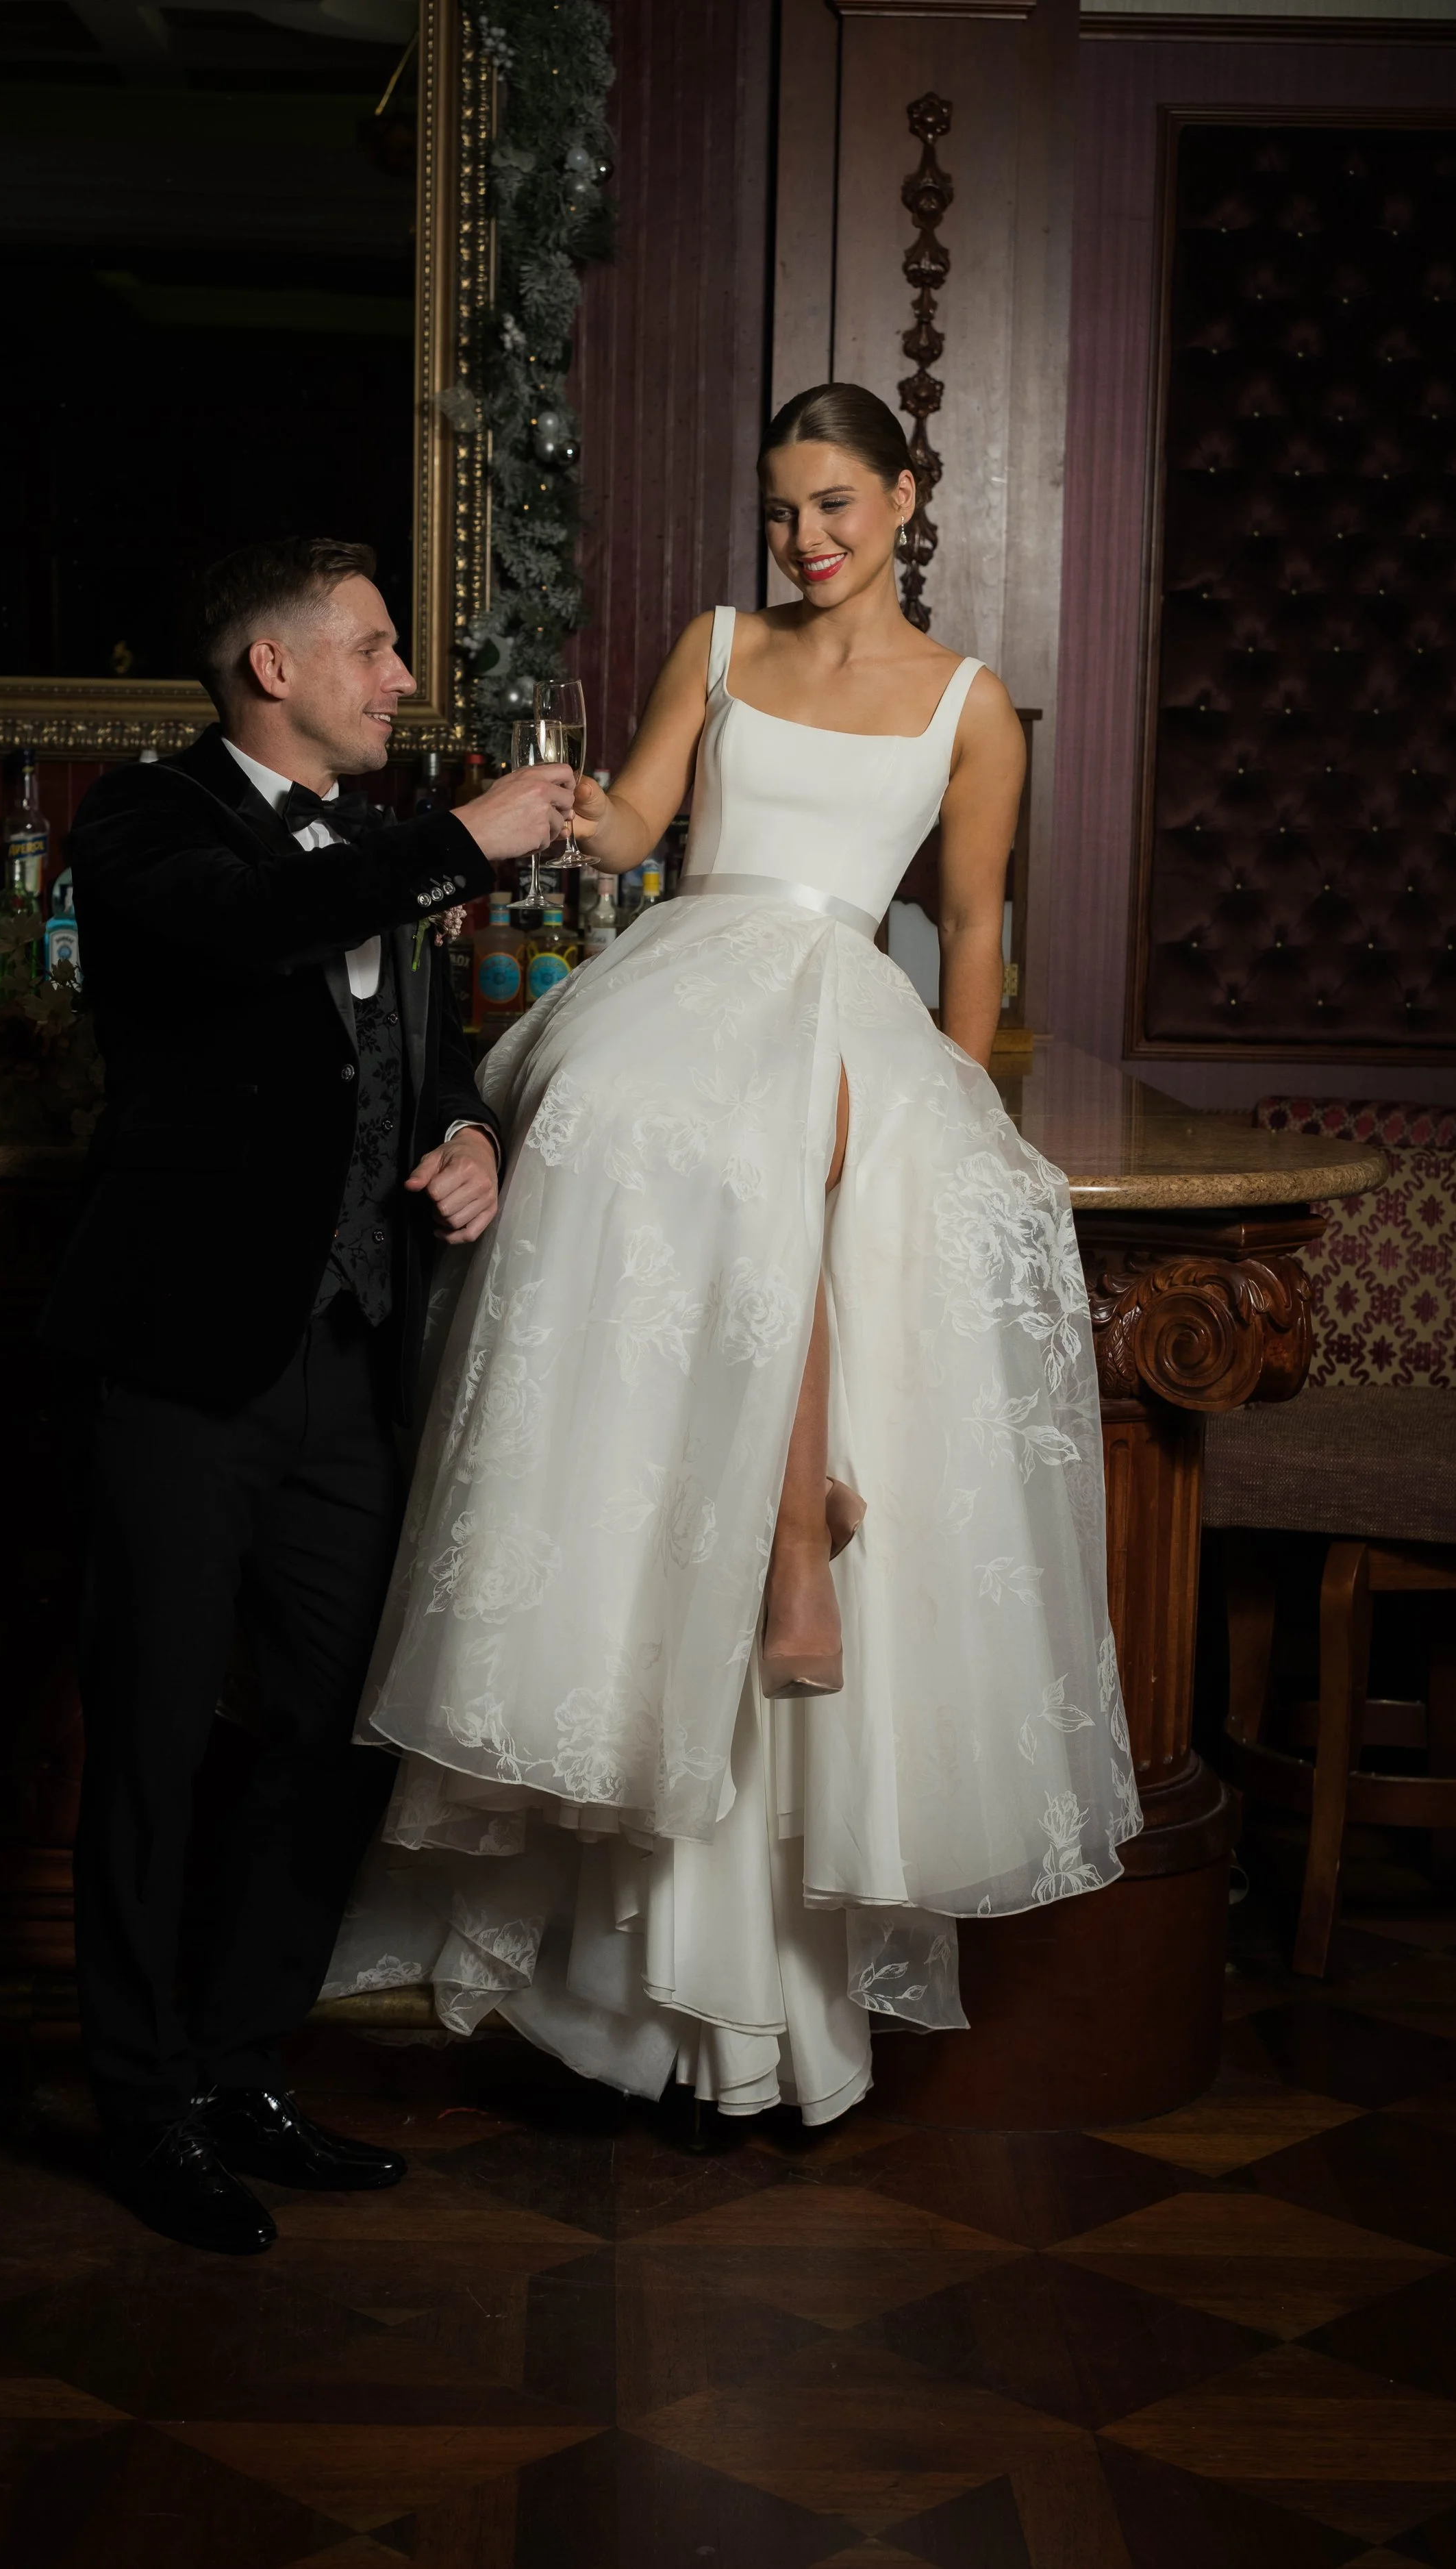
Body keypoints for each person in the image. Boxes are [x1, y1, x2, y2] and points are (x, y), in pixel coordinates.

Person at [327, 387, 1141, 2126]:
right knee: (661, 1134)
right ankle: (793, 1531)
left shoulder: (969, 708)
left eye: (836, 504)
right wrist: (557, 811)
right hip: (692, 978)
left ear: (906, 497)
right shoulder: (714, 642)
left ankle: (790, 1542)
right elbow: (637, 828)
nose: (806, 540)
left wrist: (964, 1105)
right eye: (781, 511)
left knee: (816, 1140)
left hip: (848, 1003)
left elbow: (977, 925)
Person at [40, 536, 573, 2250]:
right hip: (186, 1371)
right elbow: (251, 930)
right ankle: (138, 2107)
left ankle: (237, 2065)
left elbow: (410, 1065)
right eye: (373, 648)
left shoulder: (366, 853)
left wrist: (471, 1136)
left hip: (346, 1369)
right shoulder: (144, 825)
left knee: (339, 1733)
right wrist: (454, 843)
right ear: (275, 669)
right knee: (147, 1741)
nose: (400, 679)